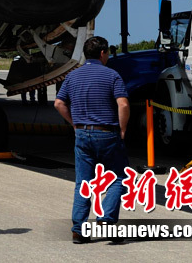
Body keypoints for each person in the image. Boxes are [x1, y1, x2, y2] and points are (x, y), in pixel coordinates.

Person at [54, 36, 130, 244]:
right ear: (103, 53)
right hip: (107, 133)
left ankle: (78, 230)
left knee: (83, 183)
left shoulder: (72, 76)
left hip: (82, 134)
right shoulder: (112, 75)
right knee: (118, 177)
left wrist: (74, 123)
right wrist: (122, 130)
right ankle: (107, 220)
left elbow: (59, 103)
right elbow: (122, 105)